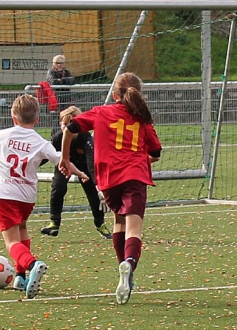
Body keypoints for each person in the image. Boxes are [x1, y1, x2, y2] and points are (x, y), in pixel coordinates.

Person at [59, 72, 162, 305]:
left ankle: (122, 267)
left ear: (115, 95)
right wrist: (140, 160)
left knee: (119, 222)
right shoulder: (143, 119)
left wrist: (65, 159)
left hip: (109, 178)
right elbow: (155, 153)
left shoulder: (101, 112)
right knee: (134, 228)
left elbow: (70, 128)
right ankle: (129, 264)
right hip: (134, 176)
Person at [0, 94, 87, 299]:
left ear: (13, 117)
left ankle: (33, 264)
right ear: (36, 120)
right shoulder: (41, 142)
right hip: (26, 196)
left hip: (5, 194)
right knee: (22, 228)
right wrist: (79, 173)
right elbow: (63, 161)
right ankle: (19, 276)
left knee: (11, 242)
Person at [40, 106, 111, 240]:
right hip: (64, 164)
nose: (69, 128)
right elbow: (44, 156)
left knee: (93, 193)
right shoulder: (57, 138)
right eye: (66, 124)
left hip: (84, 167)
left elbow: (91, 164)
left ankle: (100, 223)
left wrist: (98, 186)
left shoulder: (86, 139)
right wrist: (29, 166)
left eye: (72, 124)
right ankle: (54, 222)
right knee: (58, 186)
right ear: (60, 124)